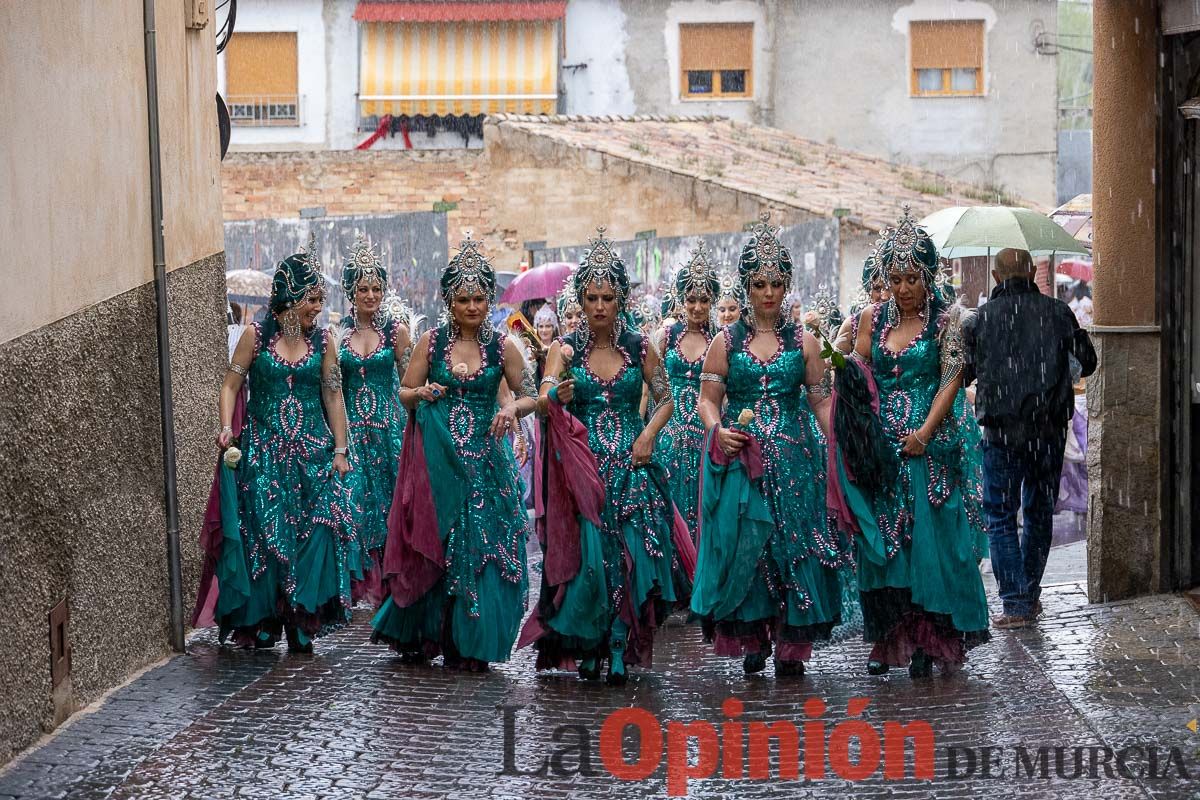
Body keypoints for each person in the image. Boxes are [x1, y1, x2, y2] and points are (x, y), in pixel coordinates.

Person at [520, 227, 691, 686]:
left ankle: (620, 643)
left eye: (608, 297)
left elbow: (668, 398)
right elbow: (540, 399)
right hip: (582, 469)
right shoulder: (565, 349)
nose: (599, 306)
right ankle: (591, 644)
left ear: (621, 300)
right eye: (591, 297)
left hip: (634, 466)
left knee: (632, 555)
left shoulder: (640, 347)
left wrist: (650, 434)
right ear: (581, 298)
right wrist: (556, 392)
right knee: (590, 562)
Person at [830, 207, 990, 677]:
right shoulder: (869, 321)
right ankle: (890, 637)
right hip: (882, 450)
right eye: (895, 278)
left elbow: (951, 379)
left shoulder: (948, 322)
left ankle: (930, 639)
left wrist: (923, 434)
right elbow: (856, 372)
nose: (902, 289)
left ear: (929, 276)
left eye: (911, 278)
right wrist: (837, 363)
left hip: (929, 448)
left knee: (930, 544)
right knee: (887, 544)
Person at [691, 213, 848, 678]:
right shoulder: (725, 340)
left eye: (776, 283)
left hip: (797, 462)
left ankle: (790, 642)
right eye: (759, 283)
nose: (768, 293)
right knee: (748, 547)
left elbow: (821, 401)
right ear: (746, 286)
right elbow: (707, 399)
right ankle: (753, 635)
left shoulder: (806, 342)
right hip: (742, 461)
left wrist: (840, 437)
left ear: (786, 286)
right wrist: (717, 431)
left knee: (790, 545)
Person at [371, 235, 537, 671]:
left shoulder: (503, 347)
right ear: (450, 301)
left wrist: (511, 410)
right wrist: (421, 392)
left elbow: (531, 395)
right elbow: (403, 393)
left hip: (485, 465)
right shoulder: (431, 342)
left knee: (484, 546)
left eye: (479, 298)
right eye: (463, 299)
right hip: (438, 464)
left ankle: (472, 639)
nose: (472, 307)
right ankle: (428, 632)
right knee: (437, 545)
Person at [202, 236, 357, 653]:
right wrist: (225, 429)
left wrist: (341, 450)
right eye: (311, 298)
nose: (317, 307)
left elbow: (333, 395)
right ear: (289, 296)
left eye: (319, 299)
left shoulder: (325, 342)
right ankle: (267, 618)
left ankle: (303, 617)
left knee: (314, 533)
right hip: (264, 456)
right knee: (266, 538)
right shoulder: (255, 335)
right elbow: (230, 385)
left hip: (312, 454)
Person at [963, 247, 1096, 629]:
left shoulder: (981, 320)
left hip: (1001, 431)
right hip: (1048, 431)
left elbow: (967, 372)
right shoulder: (1058, 312)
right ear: (1030, 273)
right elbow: (1087, 360)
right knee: (1039, 512)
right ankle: (1029, 595)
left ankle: (1016, 602)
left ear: (995, 277)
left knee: (1001, 515)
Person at [337, 233, 412, 606]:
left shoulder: (395, 332)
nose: (370, 295)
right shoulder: (339, 338)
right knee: (354, 502)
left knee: (389, 502)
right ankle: (359, 579)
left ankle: (391, 576)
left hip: (389, 432)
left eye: (376, 288)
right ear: (351, 291)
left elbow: (413, 379)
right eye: (363, 288)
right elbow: (332, 390)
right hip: (354, 434)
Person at [654, 245, 719, 544]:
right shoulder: (666, 336)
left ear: (713, 302)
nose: (696, 307)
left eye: (704, 300)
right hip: (669, 434)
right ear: (681, 299)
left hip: (705, 437)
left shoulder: (720, 340)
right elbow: (651, 388)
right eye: (691, 299)